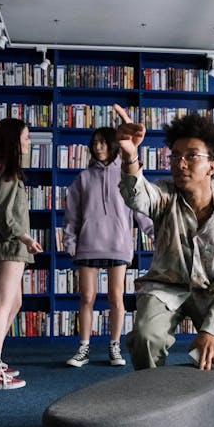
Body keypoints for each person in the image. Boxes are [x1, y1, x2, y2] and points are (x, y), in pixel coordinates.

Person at [112, 103, 214, 407]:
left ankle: (212, 406)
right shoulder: (165, 195)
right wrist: (129, 156)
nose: (180, 163)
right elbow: (137, 195)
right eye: (175, 156)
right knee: (145, 337)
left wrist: (210, 330)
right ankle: (156, 407)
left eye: (191, 156)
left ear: (212, 166)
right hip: (167, 287)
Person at [63, 127, 153, 367]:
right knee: (87, 297)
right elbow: (72, 215)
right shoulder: (83, 178)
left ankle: (114, 347)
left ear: (113, 145)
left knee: (116, 297)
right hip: (88, 244)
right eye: (95, 143)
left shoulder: (127, 174)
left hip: (118, 243)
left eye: (103, 143)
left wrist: (154, 232)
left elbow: (140, 208)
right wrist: (70, 241)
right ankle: (83, 348)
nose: (99, 147)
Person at [0, 118, 43, 390]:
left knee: (13, 303)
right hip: (9, 245)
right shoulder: (5, 170)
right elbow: (4, 214)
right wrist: (24, 237)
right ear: (14, 140)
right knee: (3, 305)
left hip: (10, 245)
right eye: (26, 137)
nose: (28, 143)